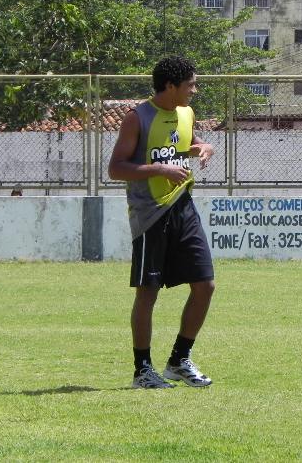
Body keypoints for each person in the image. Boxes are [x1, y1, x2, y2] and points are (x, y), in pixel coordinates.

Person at [108, 56, 215, 389]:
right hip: (150, 214)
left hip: (183, 206)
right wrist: (160, 169)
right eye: (190, 85)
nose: (194, 91)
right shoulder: (136, 118)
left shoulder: (185, 114)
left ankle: (179, 360)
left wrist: (202, 146)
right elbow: (116, 169)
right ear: (171, 86)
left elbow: (183, 145)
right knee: (148, 292)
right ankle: (143, 370)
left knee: (205, 285)